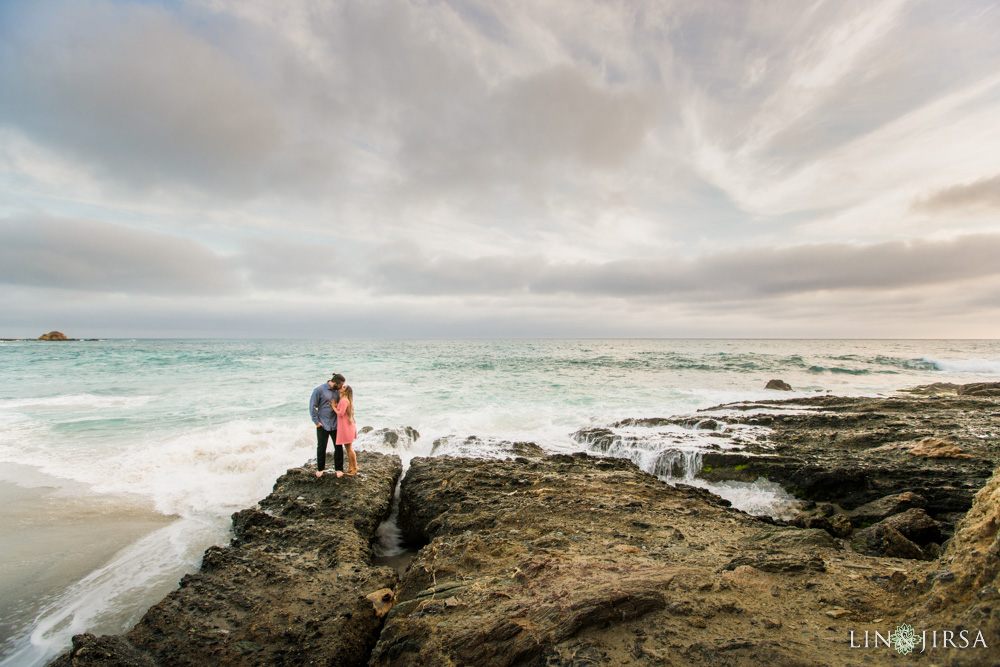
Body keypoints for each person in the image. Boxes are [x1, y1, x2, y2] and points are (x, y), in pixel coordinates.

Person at [310, 373, 345, 477]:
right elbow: (312, 406)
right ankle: (320, 469)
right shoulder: (319, 390)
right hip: (322, 424)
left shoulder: (338, 392)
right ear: (334, 383)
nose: (341, 387)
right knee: (321, 447)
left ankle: (339, 469)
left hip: (335, 423)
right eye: (340, 385)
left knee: (338, 446)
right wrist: (316, 421)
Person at [334, 385, 358, 476]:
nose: (341, 387)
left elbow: (340, 414)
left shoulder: (344, 400)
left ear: (346, 391)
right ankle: (351, 467)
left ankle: (355, 467)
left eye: (344, 387)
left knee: (349, 449)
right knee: (348, 449)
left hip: (346, 428)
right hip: (347, 427)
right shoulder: (344, 400)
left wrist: (333, 407)